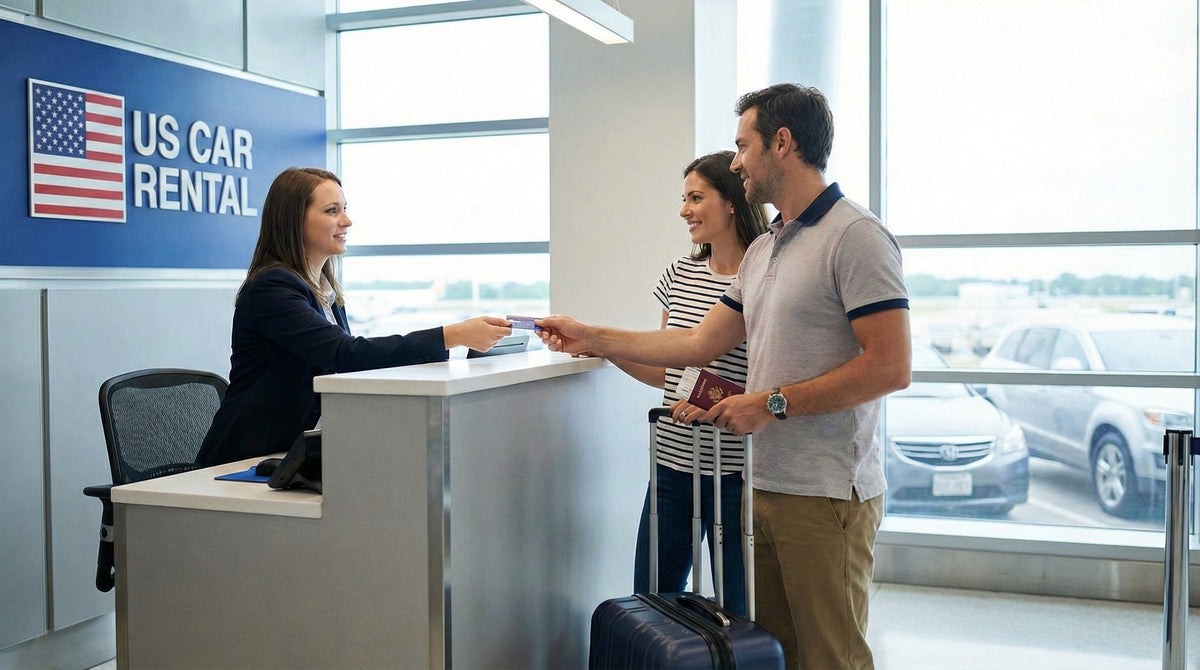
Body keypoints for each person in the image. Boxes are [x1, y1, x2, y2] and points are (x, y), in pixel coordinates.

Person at [538, 84, 911, 670]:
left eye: (743, 145)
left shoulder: (856, 235)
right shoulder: (769, 249)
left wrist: (773, 404)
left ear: (781, 143)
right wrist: (592, 337)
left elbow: (891, 366)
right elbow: (696, 343)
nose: (736, 160)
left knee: (830, 657)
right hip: (764, 486)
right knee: (776, 654)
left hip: (828, 493)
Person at [196, 167, 512, 468]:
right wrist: (450, 335)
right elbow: (345, 354)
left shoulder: (324, 290)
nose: (347, 221)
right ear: (294, 219)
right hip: (248, 459)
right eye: (332, 210)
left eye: (344, 208)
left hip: (298, 453)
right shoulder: (272, 287)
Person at [606, 151, 768, 617]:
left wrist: (715, 403)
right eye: (684, 199)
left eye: (696, 198)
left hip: (737, 472)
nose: (684, 211)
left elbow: (770, 377)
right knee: (652, 603)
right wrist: (607, 348)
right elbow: (667, 372)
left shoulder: (761, 279)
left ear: (732, 202)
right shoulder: (679, 275)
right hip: (672, 466)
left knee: (740, 609)